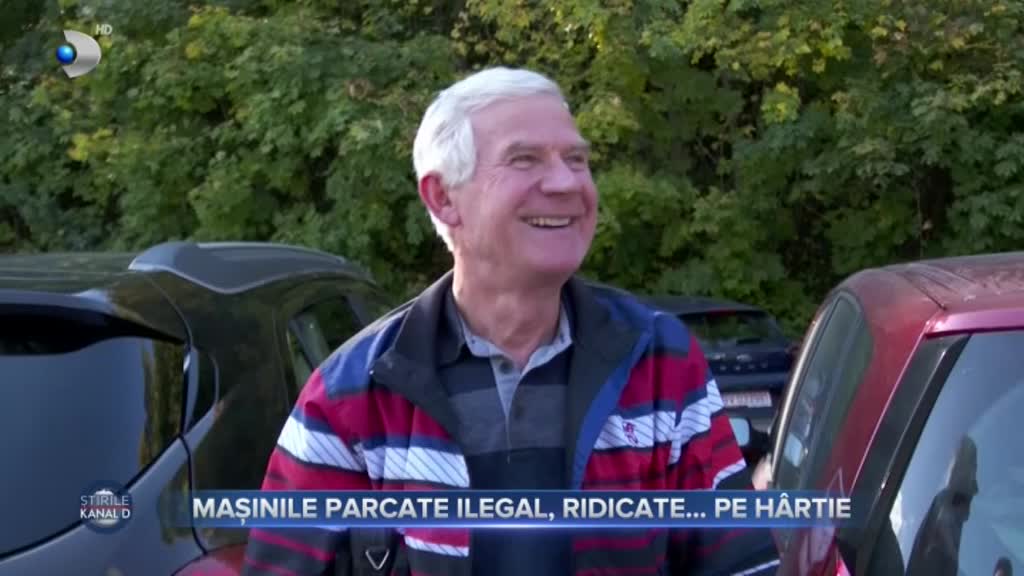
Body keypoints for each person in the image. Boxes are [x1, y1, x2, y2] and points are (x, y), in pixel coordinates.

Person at [242, 67, 779, 576]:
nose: (566, 182)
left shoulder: (659, 363)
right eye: (524, 160)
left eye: (577, 159)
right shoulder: (353, 396)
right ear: (443, 197)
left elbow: (740, 560)